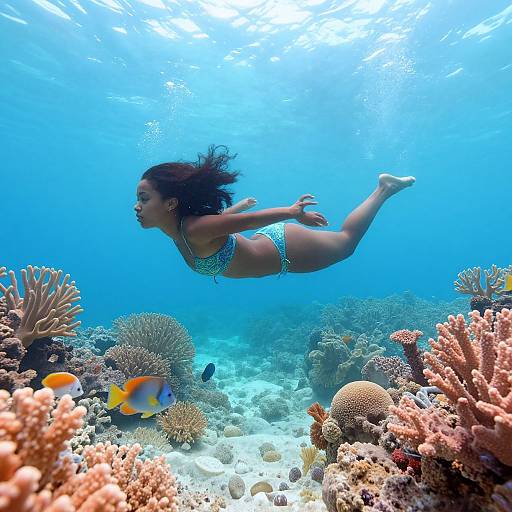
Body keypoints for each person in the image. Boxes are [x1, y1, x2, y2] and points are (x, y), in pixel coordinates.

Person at [134, 145, 415, 281]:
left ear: (171, 204)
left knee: (346, 243)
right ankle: (384, 189)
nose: (137, 206)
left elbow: (248, 221)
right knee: (344, 244)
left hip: (284, 249)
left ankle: (384, 189)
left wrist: (293, 212)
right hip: (268, 244)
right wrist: (237, 208)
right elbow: (220, 226)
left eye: (144, 199)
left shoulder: (193, 229)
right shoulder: (182, 229)